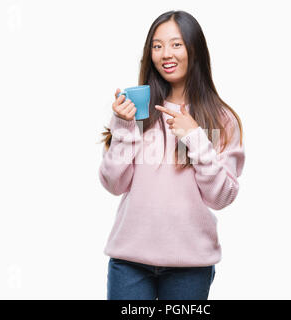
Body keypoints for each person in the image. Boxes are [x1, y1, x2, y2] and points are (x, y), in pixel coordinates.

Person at [99, 10, 245, 300]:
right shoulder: (136, 109)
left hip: (190, 266)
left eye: (176, 44)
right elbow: (113, 184)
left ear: (196, 49)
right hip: (129, 263)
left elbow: (221, 198)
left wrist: (194, 137)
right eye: (157, 45)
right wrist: (124, 125)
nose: (166, 53)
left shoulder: (220, 118)